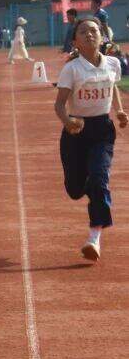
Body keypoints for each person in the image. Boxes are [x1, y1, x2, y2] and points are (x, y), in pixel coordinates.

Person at [54, 18, 128, 262]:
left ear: (102, 36)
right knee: (75, 190)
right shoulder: (72, 69)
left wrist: (118, 110)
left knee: (99, 177)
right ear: (74, 40)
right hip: (76, 131)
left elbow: (113, 86)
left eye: (94, 31)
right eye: (83, 32)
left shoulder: (113, 63)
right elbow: (59, 104)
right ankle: (93, 188)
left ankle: (94, 237)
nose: (89, 35)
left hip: (102, 131)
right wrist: (68, 122)